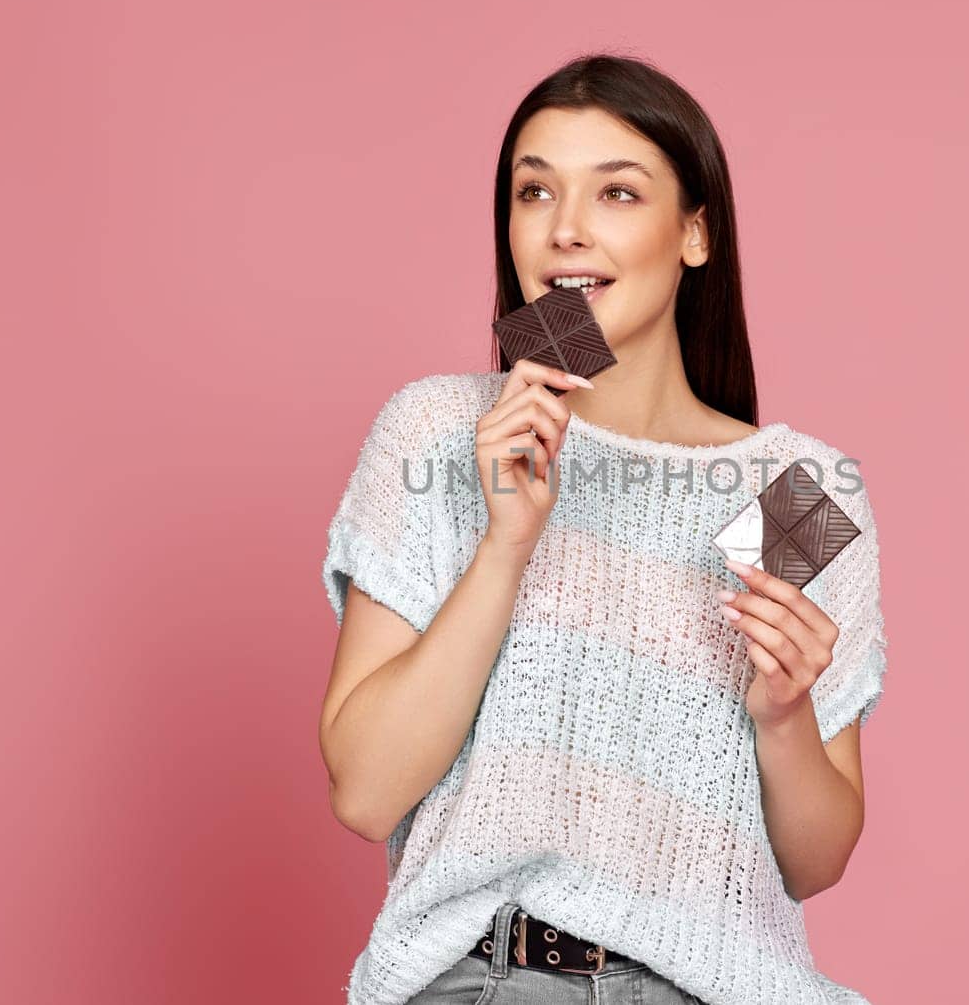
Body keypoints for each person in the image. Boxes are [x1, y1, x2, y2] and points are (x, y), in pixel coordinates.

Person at [319, 54, 889, 1005]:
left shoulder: (793, 490)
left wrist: (784, 716)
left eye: (617, 192)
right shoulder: (442, 434)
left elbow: (814, 863)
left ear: (694, 234)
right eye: (533, 190)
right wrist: (506, 542)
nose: (566, 229)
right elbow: (367, 792)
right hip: (489, 978)